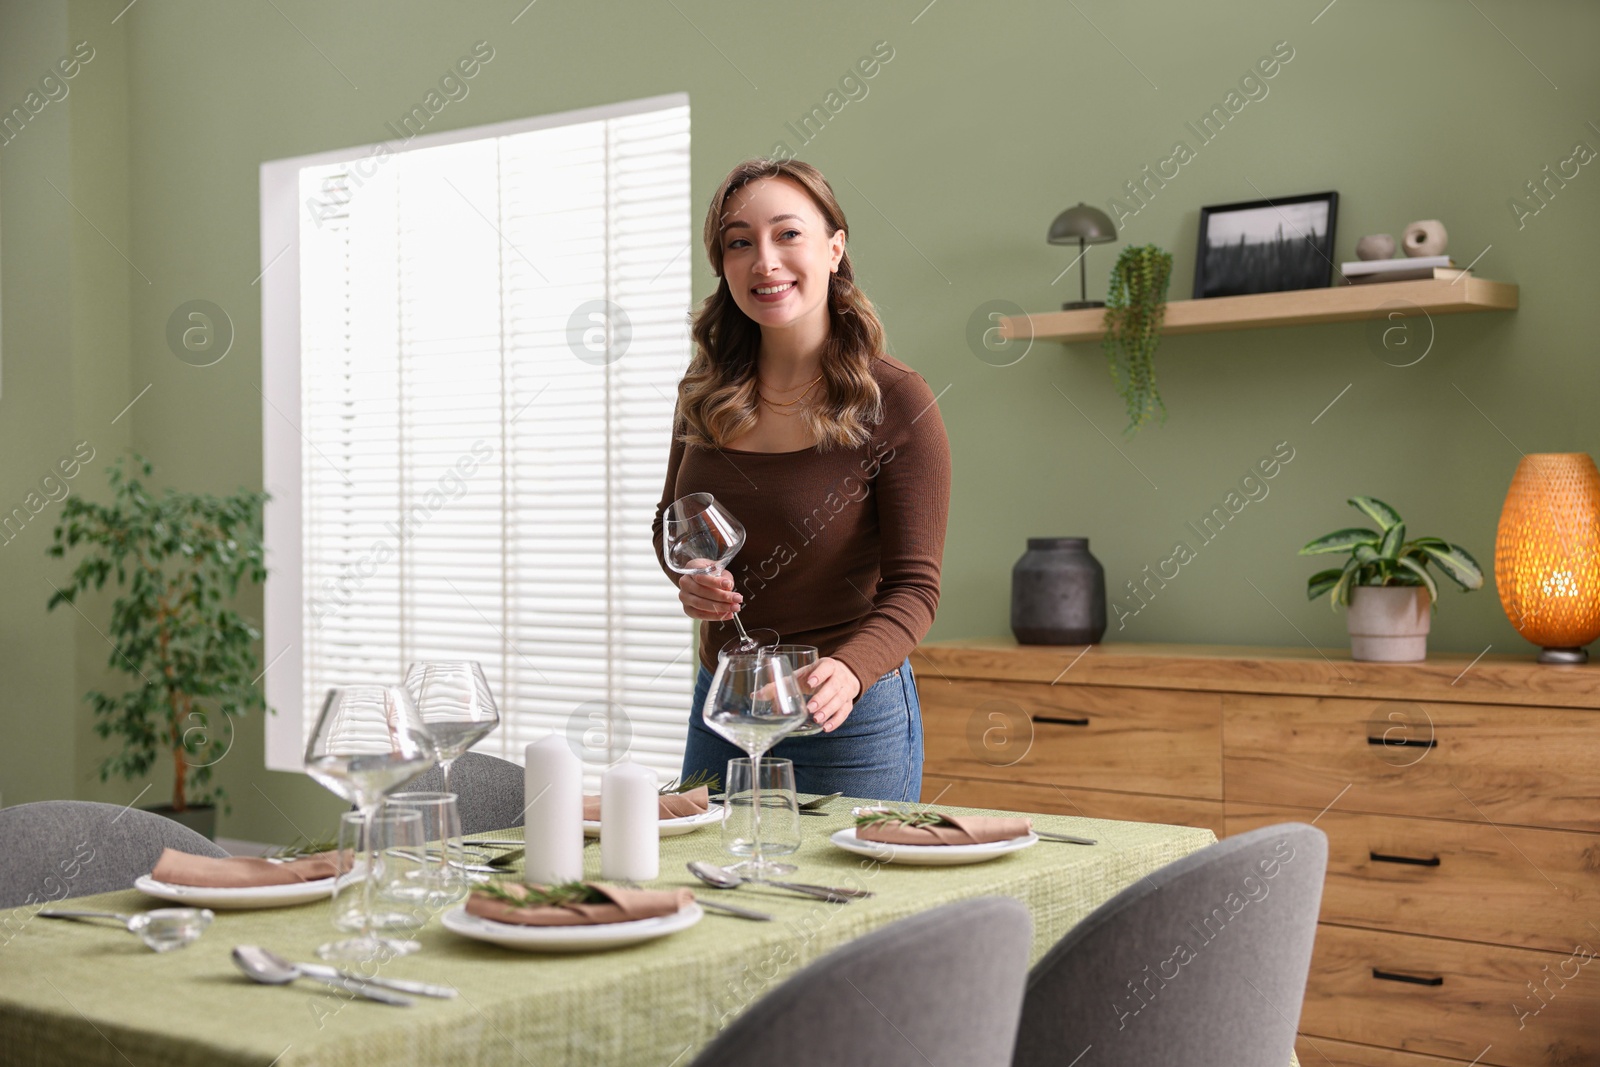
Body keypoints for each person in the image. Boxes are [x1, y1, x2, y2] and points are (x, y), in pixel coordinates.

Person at [651, 157, 952, 803]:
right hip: (725, 703)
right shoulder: (702, 391)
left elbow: (915, 588)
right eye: (739, 242)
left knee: (850, 897)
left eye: (788, 234)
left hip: (844, 712)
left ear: (835, 248)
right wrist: (690, 579)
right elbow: (670, 525)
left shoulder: (896, 401)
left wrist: (848, 669)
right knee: (716, 886)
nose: (764, 260)